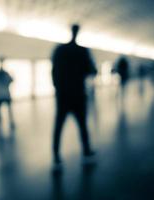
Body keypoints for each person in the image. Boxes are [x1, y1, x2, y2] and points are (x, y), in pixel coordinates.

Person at [51, 24, 96, 167]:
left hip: (63, 95)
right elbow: (92, 70)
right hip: (78, 94)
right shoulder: (82, 51)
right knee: (82, 124)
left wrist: (58, 88)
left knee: (59, 125)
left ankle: (56, 154)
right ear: (78, 32)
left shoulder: (60, 50)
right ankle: (86, 150)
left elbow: (53, 71)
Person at [0, 57, 15, 132]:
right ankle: (1, 122)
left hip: (2, 95)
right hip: (3, 95)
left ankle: (3, 122)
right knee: (2, 110)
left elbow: (11, 80)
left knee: (5, 110)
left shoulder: (1, 74)